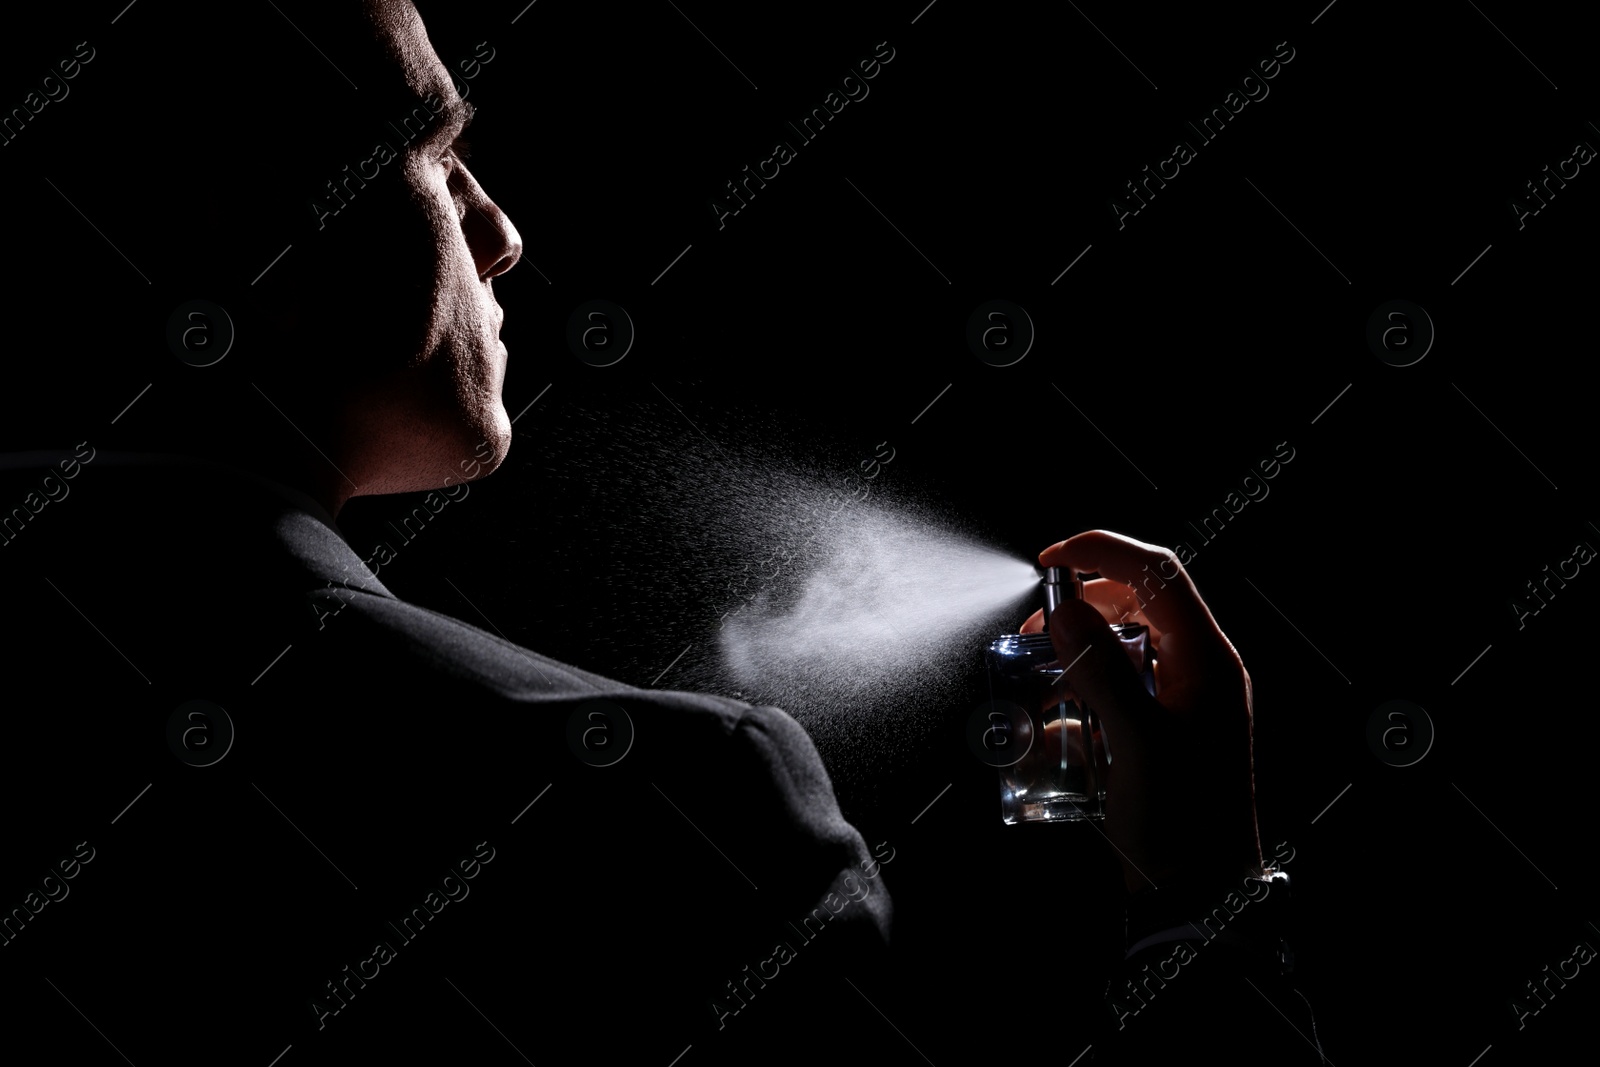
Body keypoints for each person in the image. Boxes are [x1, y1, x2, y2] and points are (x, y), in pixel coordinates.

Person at [0, 2, 1319, 1062]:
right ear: (261, 247)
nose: (501, 234)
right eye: (433, 153)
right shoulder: (680, 803)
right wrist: (1198, 892)